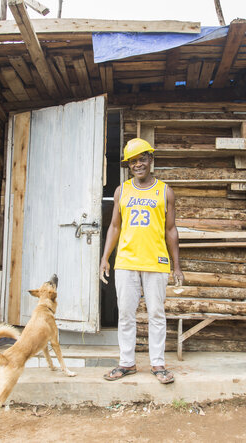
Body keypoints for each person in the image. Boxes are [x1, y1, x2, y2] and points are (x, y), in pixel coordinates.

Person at [99, 138, 184, 384]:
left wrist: (176, 265)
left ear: (150, 160)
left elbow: (171, 230)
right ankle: (127, 363)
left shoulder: (165, 191)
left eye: (142, 159)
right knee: (126, 314)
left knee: (156, 313)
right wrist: (105, 257)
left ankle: (158, 364)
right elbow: (114, 226)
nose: (138, 164)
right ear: (128, 165)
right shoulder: (121, 190)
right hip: (126, 261)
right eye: (133, 161)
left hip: (156, 262)